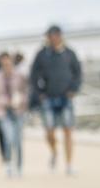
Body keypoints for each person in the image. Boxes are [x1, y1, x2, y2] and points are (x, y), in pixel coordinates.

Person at [30, 25, 83, 176]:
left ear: (59, 36)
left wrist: (74, 89)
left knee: (68, 131)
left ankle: (69, 164)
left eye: (53, 35)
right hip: (48, 97)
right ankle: (54, 152)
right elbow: (33, 75)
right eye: (49, 36)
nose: (51, 38)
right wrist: (39, 93)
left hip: (66, 97)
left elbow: (78, 73)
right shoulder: (42, 54)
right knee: (49, 132)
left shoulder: (69, 53)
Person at [0, 52, 29, 178]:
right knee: (9, 138)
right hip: (3, 112)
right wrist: (4, 102)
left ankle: (19, 166)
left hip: (18, 111)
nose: (7, 66)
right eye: (4, 64)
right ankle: (9, 164)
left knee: (18, 140)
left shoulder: (20, 75)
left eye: (8, 63)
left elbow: (26, 91)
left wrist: (20, 100)